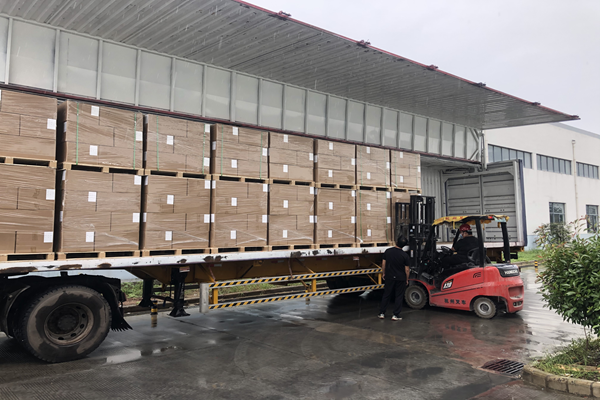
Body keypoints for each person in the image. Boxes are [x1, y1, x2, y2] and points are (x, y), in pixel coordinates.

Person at [378, 236, 410, 321]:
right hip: (400, 278)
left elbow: (383, 264)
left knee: (386, 294)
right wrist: (407, 279)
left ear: (396, 242)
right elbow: (407, 270)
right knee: (399, 296)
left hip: (389, 276)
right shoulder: (405, 255)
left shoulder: (388, 251)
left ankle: (382, 313)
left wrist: (384, 273)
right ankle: (395, 315)